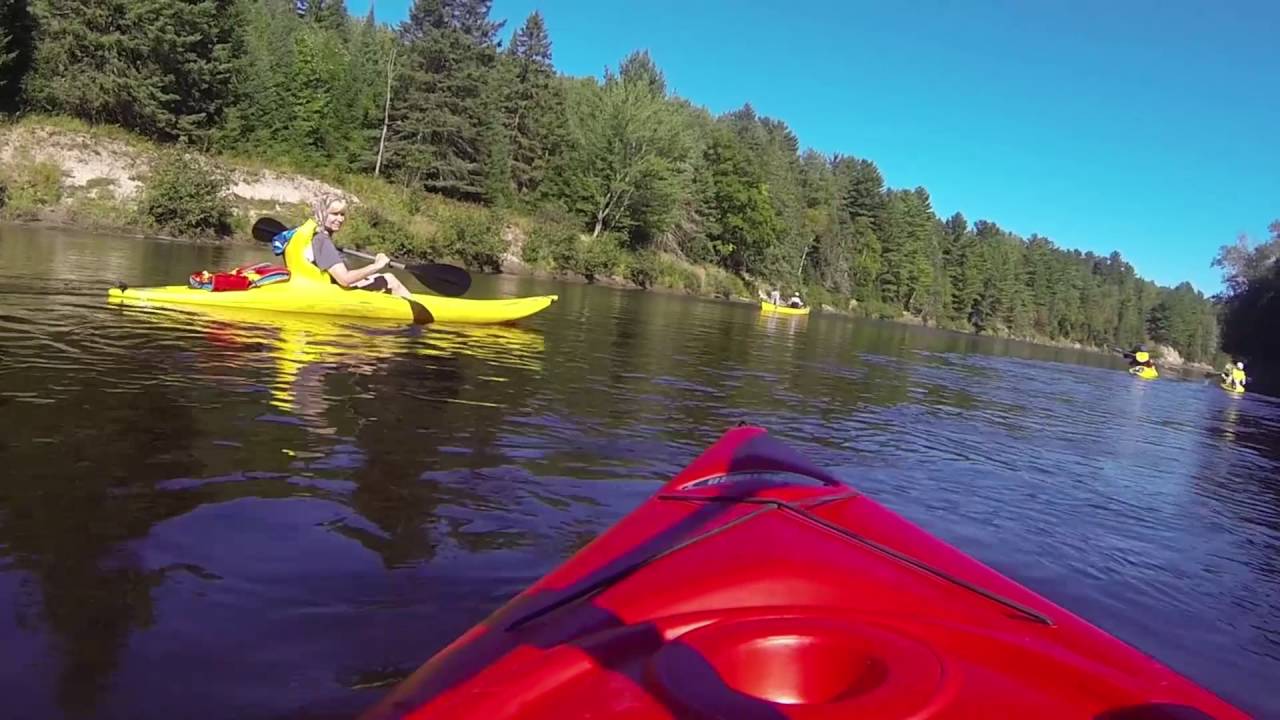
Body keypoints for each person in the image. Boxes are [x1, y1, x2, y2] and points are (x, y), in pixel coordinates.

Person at [282, 195, 412, 299]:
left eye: (342, 214)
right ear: (322, 213)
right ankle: (418, 316)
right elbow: (345, 279)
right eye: (334, 214)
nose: (340, 219)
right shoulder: (322, 241)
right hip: (327, 295)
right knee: (389, 279)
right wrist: (377, 265)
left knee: (372, 278)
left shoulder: (310, 234)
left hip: (308, 287)